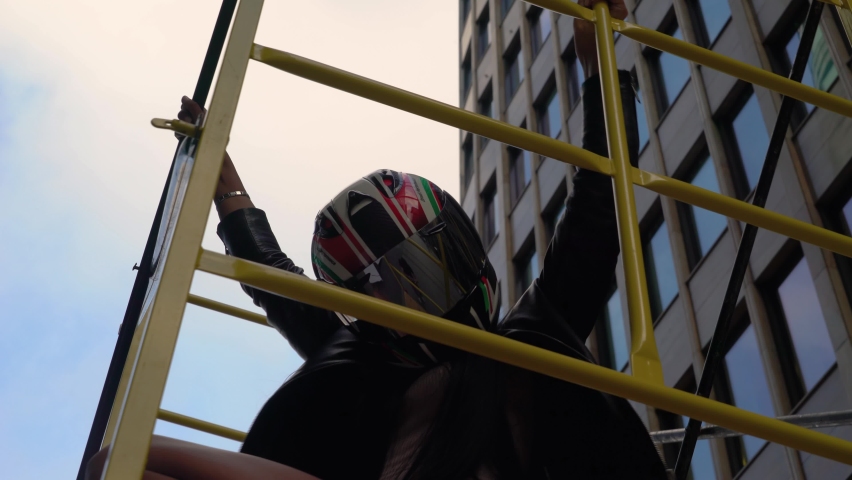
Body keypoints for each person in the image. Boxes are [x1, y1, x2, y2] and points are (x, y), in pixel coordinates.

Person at [88, 0, 668, 478]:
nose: (400, 295)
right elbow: (279, 284)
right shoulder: (363, 364)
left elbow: (598, 206)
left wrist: (598, 67)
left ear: (457, 251)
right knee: (125, 461)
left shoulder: (531, 340)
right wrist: (227, 191)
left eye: (415, 266)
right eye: (374, 285)